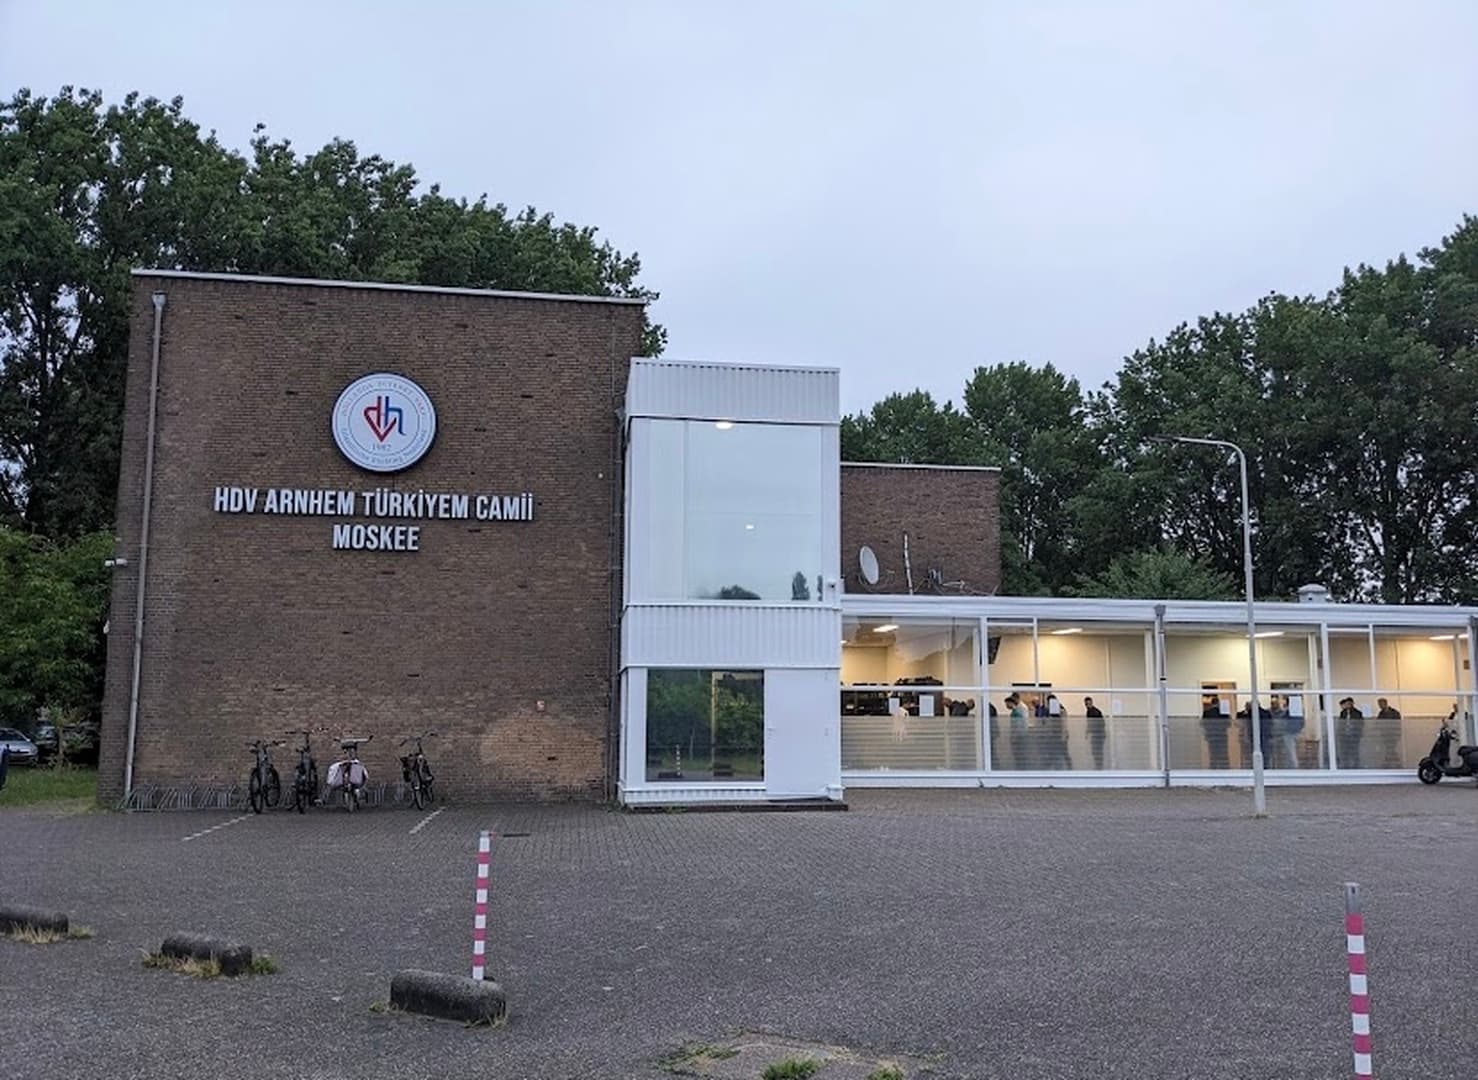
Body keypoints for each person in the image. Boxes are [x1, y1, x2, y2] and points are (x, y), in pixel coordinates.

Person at [1201, 694, 1230, 769]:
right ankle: (1224, 767)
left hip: (1211, 736)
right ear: (1218, 703)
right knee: (1223, 752)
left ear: (1211, 703)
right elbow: (1228, 723)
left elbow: (1203, 724)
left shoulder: (1206, 712)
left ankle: (1213, 767)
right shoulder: (1223, 713)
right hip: (1222, 735)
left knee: (1213, 753)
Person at [1272, 695, 1300, 769]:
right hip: (1294, 733)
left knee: (1290, 751)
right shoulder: (1297, 711)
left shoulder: (1289, 711)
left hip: (1289, 733)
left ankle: (1293, 766)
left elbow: (1281, 718)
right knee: (1289, 751)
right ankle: (1290, 766)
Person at [1337, 697, 1364, 769]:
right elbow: (1341, 723)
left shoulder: (1358, 713)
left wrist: (1356, 731)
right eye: (1347, 704)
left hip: (1354, 735)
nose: (1348, 705)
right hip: (1345, 736)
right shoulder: (1343, 713)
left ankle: (1355, 765)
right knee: (1345, 751)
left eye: (1349, 703)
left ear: (1352, 703)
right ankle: (1346, 765)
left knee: (1354, 751)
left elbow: (1361, 724)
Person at [1375, 698, 1402, 768]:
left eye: (1380, 704)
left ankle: (1390, 762)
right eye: (1379, 705)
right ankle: (1393, 763)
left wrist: (1397, 733)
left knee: (1390, 749)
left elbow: (1398, 724)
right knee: (1389, 749)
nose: (1380, 706)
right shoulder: (1381, 713)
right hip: (1385, 734)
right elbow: (1378, 723)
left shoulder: (1394, 712)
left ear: (1385, 703)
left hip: (1393, 734)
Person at [1007, 693, 1029, 769]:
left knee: (1020, 755)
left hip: (1020, 736)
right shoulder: (1016, 709)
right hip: (1018, 735)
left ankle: (1022, 769)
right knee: (1017, 755)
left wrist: (1015, 736)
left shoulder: (1021, 708)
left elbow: (1020, 723)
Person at [1083, 696, 1106, 770]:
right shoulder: (1091, 711)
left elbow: (1098, 723)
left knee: (1097, 751)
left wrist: (1089, 730)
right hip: (1098, 734)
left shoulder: (1094, 712)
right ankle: (1098, 766)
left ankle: (1099, 766)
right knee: (1096, 751)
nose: (1088, 705)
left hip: (1098, 735)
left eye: (1089, 703)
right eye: (1087, 704)